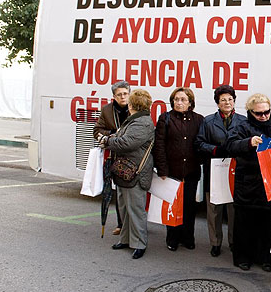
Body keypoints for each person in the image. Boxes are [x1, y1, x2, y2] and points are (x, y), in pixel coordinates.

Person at [225, 93, 271, 271]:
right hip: (248, 181)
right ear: (250, 112)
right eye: (259, 113)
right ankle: (243, 257)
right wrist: (248, 143)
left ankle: (265, 257)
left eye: (267, 112)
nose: (264, 116)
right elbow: (230, 146)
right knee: (245, 222)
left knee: (268, 222)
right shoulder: (241, 126)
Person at [98, 89, 155, 260]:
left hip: (135, 173)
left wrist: (107, 141)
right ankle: (126, 239)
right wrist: (113, 138)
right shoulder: (135, 120)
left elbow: (126, 143)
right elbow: (123, 138)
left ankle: (139, 244)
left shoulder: (142, 123)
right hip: (126, 172)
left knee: (135, 210)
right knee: (124, 208)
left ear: (133, 105)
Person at [195, 85, 245, 258]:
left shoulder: (243, 120)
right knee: (214, 209)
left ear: (234, 100)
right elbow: (199, 143)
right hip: (214, 170)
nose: (227, 102)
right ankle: (215, 243)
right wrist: (215, 150)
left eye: (230, 99)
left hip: (235, 170)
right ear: (217, 103)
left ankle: (233, 242)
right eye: (223, 99)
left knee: (233, 209)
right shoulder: (208, 121)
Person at [153, 87, 204, 252]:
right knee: (172, 206)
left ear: (190, 103)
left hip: (191, 171)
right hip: (172, 171)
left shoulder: (199, 120)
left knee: (189, 206)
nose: (179, 102)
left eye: (183, 99)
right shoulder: (165, 118)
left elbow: (201, 143)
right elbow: (159, 145)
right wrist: (162, 169)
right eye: (176, 99)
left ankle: (188, 238)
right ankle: (172, 238)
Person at [93, 81, 130, 235]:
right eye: (119, 94)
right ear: (114, 97)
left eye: (125, 93)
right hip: (115, 157)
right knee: (119, 192)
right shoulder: (107, 110)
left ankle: (134, 224)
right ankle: (121, 225)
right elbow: (97, 130)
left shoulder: (136, 108)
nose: (123, 97)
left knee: (133, 194)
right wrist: (113, 134)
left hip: (132, 156)